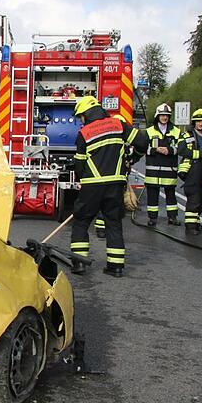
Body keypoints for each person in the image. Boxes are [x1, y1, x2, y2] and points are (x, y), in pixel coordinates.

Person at [69, 95, 148, 277]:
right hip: (115, 184)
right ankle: (116, 267)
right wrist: (131, 159)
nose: (81, 121)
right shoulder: (118, 125)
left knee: (81, 222)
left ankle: (79, 264)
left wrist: (85, 180)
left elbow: (80, 165)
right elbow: (143, 142)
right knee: (113, 223)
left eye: (80, 117)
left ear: (85, 114)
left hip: (92, 185)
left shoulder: (84, 133)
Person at [177, 108, 202, 235]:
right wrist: (201, 154)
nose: (200, 124)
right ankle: (190, 226)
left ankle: (196, 223)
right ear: (194, 122)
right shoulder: (187, 135)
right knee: (194, 198)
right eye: (198, 121)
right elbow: (182, 151)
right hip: (193, 168)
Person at [144, 103, 182, 226]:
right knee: (152, 195)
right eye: (162, 115)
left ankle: (172, 217)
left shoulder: (176, 131)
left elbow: (181, 148)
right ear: (157, 116)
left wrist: (170, 150)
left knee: (171, 194)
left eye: (166, 115)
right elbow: (143, 147)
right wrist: (156, 150)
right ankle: (152, 218)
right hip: (153, 170)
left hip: (169, 168)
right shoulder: (149, 131)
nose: (164, 118)